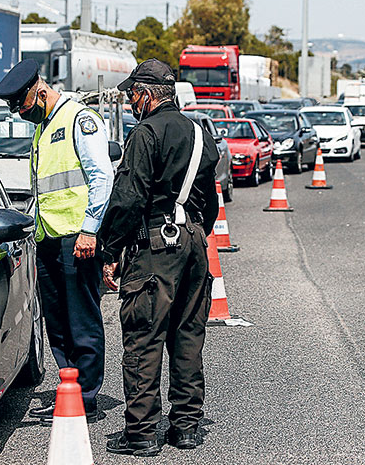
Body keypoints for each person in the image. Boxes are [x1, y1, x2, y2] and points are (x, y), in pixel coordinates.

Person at [97, 58, 219, 456]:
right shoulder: (199, 133)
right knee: (187, 337)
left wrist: (110, 251)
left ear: (147, 96)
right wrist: (196, 236)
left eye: (133, 94)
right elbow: (210, 200)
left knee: (144, 337)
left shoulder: (145, 134)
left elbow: (128, 198)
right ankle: (185, 427)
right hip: (194, 243)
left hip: (155, 247)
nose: (131, 102)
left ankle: (142, 433)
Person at [0, 58, 114, 421]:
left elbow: (102, 177)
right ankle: (69, 389)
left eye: (23, 105)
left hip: (77, 240)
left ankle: (87, 397)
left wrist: (90, 229)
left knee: (82, 321)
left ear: (40, 91)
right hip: (48, 239)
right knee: (58, 322)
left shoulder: (79, 119)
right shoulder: (43, 126)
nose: (20, 113)